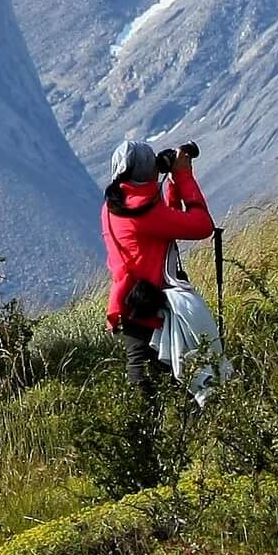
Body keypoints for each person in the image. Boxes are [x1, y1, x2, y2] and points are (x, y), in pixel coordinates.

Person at [103, 139, 216, 393]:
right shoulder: (143, 213)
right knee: (154, 379)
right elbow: (201, 225)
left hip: (129, 302)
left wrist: (171, 187)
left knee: (147, 373)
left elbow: (165, 225)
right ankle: (154, 425)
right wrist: (184, 177)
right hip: (149, 306)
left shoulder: (115, 206)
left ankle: (147, 423)